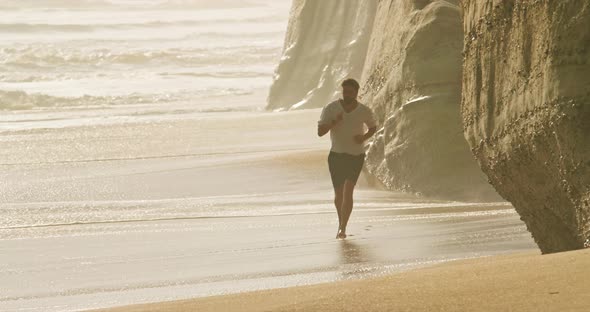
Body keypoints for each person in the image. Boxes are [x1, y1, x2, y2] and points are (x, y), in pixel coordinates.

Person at [317, 78, 377, 239]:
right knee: (339, 195)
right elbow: (320, 132)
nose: (347, 95)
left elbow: (373, 127)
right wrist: (334, 122)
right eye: (345, 92)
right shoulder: (331, 108)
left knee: (348, 191)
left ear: (356, 93)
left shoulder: (364, 110)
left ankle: (342, 228)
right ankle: (340, 223)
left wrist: (363, 137)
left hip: (356, 155)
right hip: (336, 155)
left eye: (350, 92)